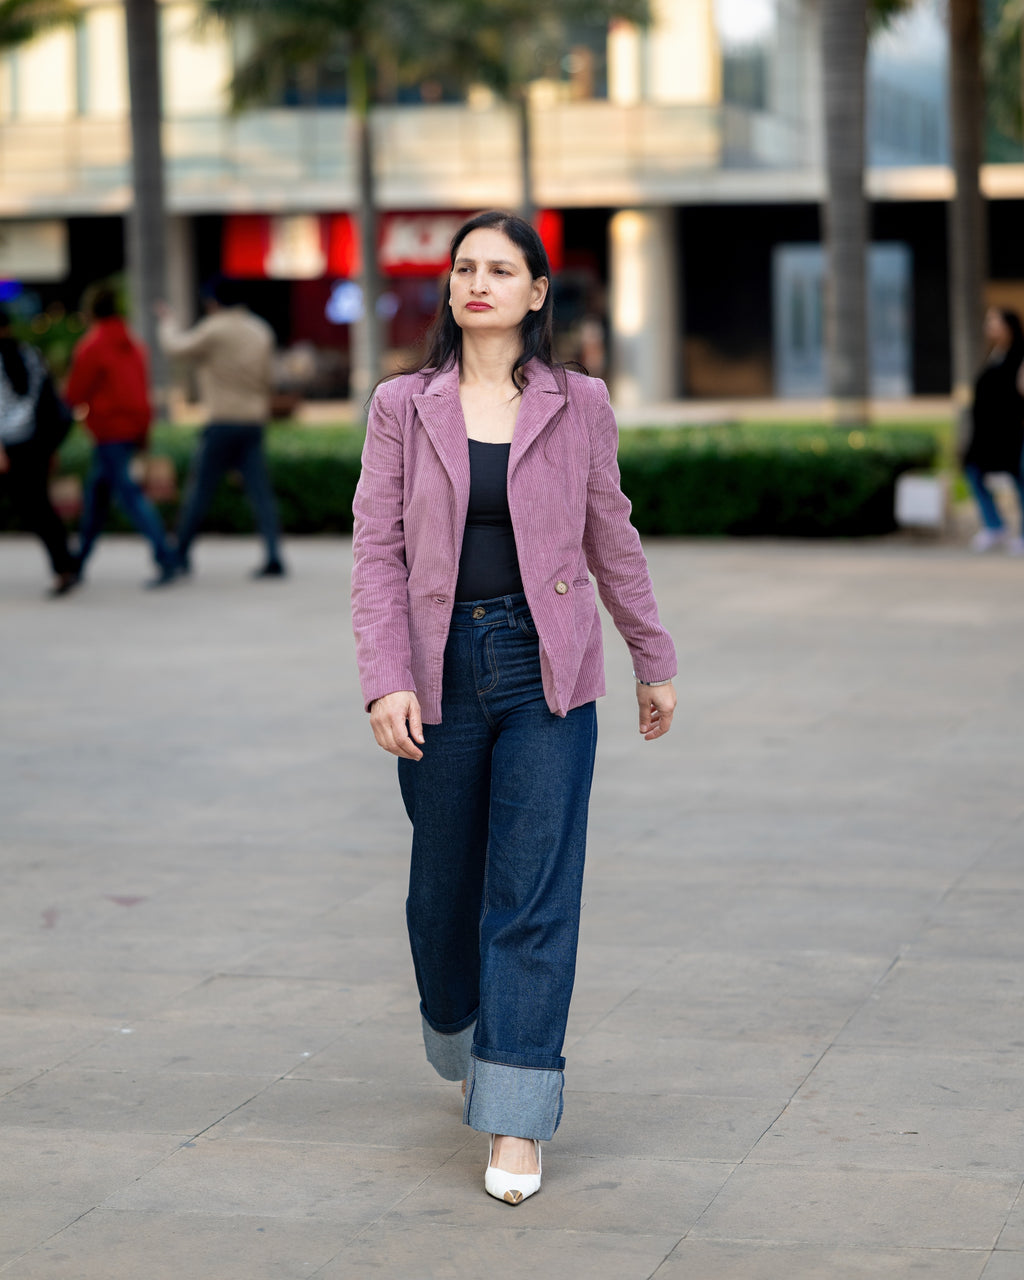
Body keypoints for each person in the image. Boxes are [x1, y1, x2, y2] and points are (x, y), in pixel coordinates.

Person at [351, 211, 677, 1206]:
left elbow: (609, 532)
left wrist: (649, 653)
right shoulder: (404, 405)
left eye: (500, 268)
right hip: (439, 667)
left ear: (538, 292)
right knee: (442, 893)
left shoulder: (578, 403)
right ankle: (455, 1020)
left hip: (549, 669)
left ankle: (517, 1114)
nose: (477, 282)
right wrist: (386, 673)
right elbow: (377, 553)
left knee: (533, 894)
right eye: (463, 268)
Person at [156, 281, 286, 578]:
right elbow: (270, 379)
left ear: (214, 303)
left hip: (222, 420)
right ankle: (274, 555)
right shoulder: (260, 330)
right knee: (260, 493)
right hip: (253, 421)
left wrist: (167, 323)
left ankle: (180, 554)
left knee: (200, 491)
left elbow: (176, 349)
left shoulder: (215, 328)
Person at [64, 287, 177, 589]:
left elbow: (75, 394)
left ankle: (165, 556)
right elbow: (141, 391)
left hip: (108, 432)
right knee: (98, 497)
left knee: (127, 497)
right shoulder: (133, 344)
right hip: (131, 429)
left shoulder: (92, 346)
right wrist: (144, 431)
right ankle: (77, 561)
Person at [0, 309, 79, 596]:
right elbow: (48, 403)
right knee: (40, 509)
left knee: (36, 509)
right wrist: (50, 448)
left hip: (9, 447)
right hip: (35, 445)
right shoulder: (31, 355)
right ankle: (65, 568)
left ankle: (65, 567)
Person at [962, 307, 1024, 554]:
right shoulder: (996, 354)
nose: (988, 326)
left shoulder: (1019, 355)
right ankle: (994, 525)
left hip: (1013, 432)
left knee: (1021, 479)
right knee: (974, 471)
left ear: (1008, 326)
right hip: (989, 434)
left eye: (993, 321)